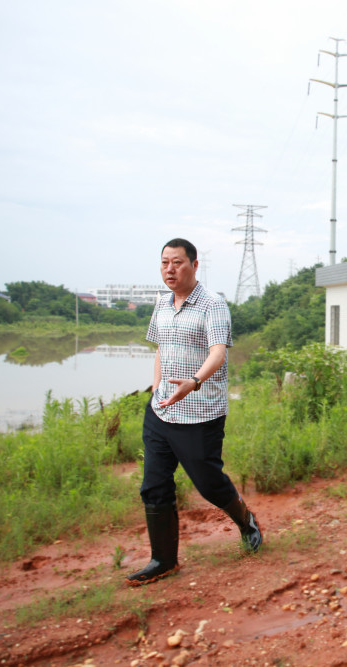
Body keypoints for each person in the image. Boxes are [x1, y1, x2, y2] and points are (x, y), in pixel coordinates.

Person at [127, 238, 262, 586]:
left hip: (199, 413)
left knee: (209, 485)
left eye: (177, 263)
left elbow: (218, 352)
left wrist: (194, 381)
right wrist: (157, 386)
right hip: (160, 411)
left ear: (195, 265)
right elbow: (160, 347)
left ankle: (246, 519)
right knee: (154, 485)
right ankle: (163, 560)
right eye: (164, 263)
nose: (170, 270)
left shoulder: (213, 304)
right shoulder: (161, 303)